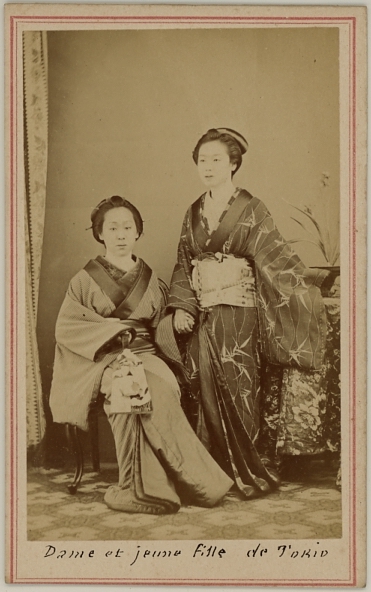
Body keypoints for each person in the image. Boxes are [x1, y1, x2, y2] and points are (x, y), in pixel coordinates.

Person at [167, 128, 332, 499]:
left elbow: (275, 259)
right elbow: (182, 264)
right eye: (202, 160)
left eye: (216, 160)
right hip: (203, 311)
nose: (207, 167)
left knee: (239, 386)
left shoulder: (251, 209)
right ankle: (205, 472)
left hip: (240, 312)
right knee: (200, 382)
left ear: (233, 163)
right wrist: (181, 306)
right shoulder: (192, 212)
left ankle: (243, 470)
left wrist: (307, 290)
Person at [49, 196, 233, 514]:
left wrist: (174, 317)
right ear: (100, 233)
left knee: (160, 388)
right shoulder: (82, 281)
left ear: (137, 233)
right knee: (127, 389)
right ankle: (146, 489)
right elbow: (67, 328)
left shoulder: (150, 280)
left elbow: (159, 322)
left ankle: (189, 486)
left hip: (147, 354)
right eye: (113, 228)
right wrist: (111, 333)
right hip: (104, 358)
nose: (121, 234)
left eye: (128, 227)